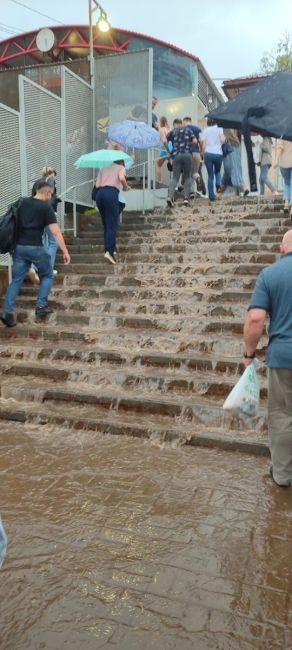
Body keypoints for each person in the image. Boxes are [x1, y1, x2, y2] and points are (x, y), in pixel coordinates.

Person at [243, 229, 292, 487]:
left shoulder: (270, 274)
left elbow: (255, 319)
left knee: (283, 415)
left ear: (281, 249)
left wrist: (248, 355)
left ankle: (283, 477)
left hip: (283, 357)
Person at [1, 180, 70, 327]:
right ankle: (41, 306)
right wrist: (65, 251)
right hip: (35, 248)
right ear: (46, 193)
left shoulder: (22, 203)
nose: (51, 197)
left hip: (18, 247)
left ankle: (7, 312)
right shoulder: (46, 208)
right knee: (48, 274)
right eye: (50, 194)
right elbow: (56, 232)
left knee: (17, 279)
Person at [94, 160, 130, 265]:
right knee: (112, 224)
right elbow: (122, 178)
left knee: (106, 224)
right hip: (111, 193)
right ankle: (109, 251)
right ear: (122, 162)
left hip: (99, 195)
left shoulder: (103, 167)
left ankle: (107, 250)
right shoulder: (121, 168)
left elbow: (97, 185)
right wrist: (126, 187)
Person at [29, 166, 60, 284]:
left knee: (40, 242)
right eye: (54, 174)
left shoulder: (36, 183)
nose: (54, 177)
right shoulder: (50, 181)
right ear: (50, 174)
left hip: (35, 215)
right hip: (47, 214)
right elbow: (50, 199)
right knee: (53, 242)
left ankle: (33, 266)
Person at [166, 121, 196, 208]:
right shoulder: (188, 130)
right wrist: (189, 145)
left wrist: (168, 151)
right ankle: (186, 199)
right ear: (182, 124)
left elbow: (164, 140)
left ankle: (170, 197)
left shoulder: (173, 131)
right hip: (187, 155)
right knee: (187, 177)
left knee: (175, 177)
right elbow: (195, 141)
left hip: (176, 156)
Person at [200, 118, 225, 201]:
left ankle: (211, 196)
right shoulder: (220, 128)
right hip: (218, 154)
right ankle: (218, 189)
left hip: (208, 154)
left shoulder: (205, 130)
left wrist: (202, 154)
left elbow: (202, 144)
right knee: (217, 172)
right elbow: (222, 140)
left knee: (210, 175)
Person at [222, 129, 249, 196]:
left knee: (226, 179)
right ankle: (244, 188)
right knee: (232, 177)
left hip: (229, 164)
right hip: (236, 163)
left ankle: (218, 193)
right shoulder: (237, 142)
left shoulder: (227, 142)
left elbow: (226, 153)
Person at [182, 117, 201, 196]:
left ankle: (190, 192)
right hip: (197, 153)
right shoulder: (198, 129)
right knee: (194, 172)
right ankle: (197, 178)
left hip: (187, 154)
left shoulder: (182, 130)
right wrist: (202, 152)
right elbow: (201, 141)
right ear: (190, 121)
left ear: (184, 121)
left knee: (187, 174)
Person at [276, 139, 292, 216]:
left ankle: (286, 203)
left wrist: (276, 160)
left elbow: (279, 147)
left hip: (284, 163)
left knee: (287, 182)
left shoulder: (282, 132)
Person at [156, 116, 170, 182]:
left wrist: (157, 127)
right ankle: (178, 184)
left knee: (158, 164)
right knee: (174, 165)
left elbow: (164, 140)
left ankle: (160, 181)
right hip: (171, 147)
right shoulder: (168, 129)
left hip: (165, 147)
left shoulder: (161, 129)